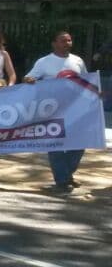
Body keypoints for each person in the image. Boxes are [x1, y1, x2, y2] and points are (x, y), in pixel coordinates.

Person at [23, 31, 90, 195]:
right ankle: (62, 180)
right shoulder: (44, 62)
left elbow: (86, 81)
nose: (67, 43)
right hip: (52, 110)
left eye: (69, 40)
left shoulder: (78, 61)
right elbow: (28, 78)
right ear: (54, 43)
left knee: (79, 144)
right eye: (63, 40)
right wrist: (29, 80)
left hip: (75, 109)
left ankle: (66, 174)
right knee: (56, 145)